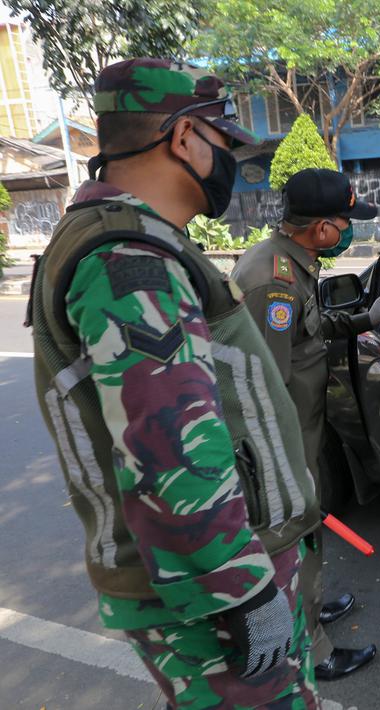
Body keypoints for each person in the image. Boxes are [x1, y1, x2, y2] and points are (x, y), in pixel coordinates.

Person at [28, 58, 320, 708]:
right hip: (204, 587)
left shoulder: (139, 245)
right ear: (184, 137)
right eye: (224, 143)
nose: (231, 161)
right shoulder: (129, 262)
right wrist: (239, 592)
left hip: (202, 575)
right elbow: (171, 448)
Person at [232, 168, 380, 681]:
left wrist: (363, 320)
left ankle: (311, 605)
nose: (349, 231)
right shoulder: (273, 282)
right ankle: (317, 650)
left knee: (308, 534)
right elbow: (267, 384)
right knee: (296, 530)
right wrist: (287, 467)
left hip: (300, 432)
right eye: (346, 222)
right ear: (323, 229)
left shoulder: (290, 264)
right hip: (281, 443)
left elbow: (307, 334)